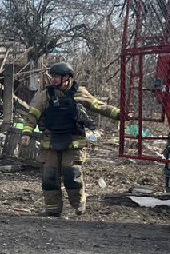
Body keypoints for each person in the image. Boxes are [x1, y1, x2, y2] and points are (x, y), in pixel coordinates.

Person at [29, 62, 120, 216]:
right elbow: (33, 114)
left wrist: (119, 114)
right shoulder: (44, 95)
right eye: (53, 76)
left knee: (71, 174)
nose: (54, 79)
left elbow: (98, 106)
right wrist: (26, 132)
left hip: (72, 141)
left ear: (67, 78)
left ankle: (79, 204)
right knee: (49, 176)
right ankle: (52, 209)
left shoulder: (79, 92)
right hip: (50, 141)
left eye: (57, 76)